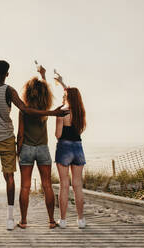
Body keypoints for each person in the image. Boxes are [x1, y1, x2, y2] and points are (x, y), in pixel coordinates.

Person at [0, 60, 69, 230]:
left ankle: (17, 220)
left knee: (17, 185)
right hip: (28, 145)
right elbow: (35, 98)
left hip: (3, 142)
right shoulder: (18, 94)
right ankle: (44, 221)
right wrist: (51, 111)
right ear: (7, 74)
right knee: (40, 184)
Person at [16, 65, 56, 229]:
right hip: (42, 149)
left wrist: (18, 151)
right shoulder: (45, 109)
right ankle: (52, 221)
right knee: (47, 185)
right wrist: (43, 75)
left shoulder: (24, 110)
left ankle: (24, 221)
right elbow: (46, 93)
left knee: (25, 186)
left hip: (26, 148)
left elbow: (20, 134)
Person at [54, 74, 87, 229]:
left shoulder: (63, 112)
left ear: (67, 97)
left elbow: (58, 135)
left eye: (64, 95)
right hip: (78, 148)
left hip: (64, 147)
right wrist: (61, 82)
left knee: (64, 185)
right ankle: (81, 220)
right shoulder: (80, 112)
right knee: (77, 185)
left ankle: (63, 220)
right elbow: (69, 92)